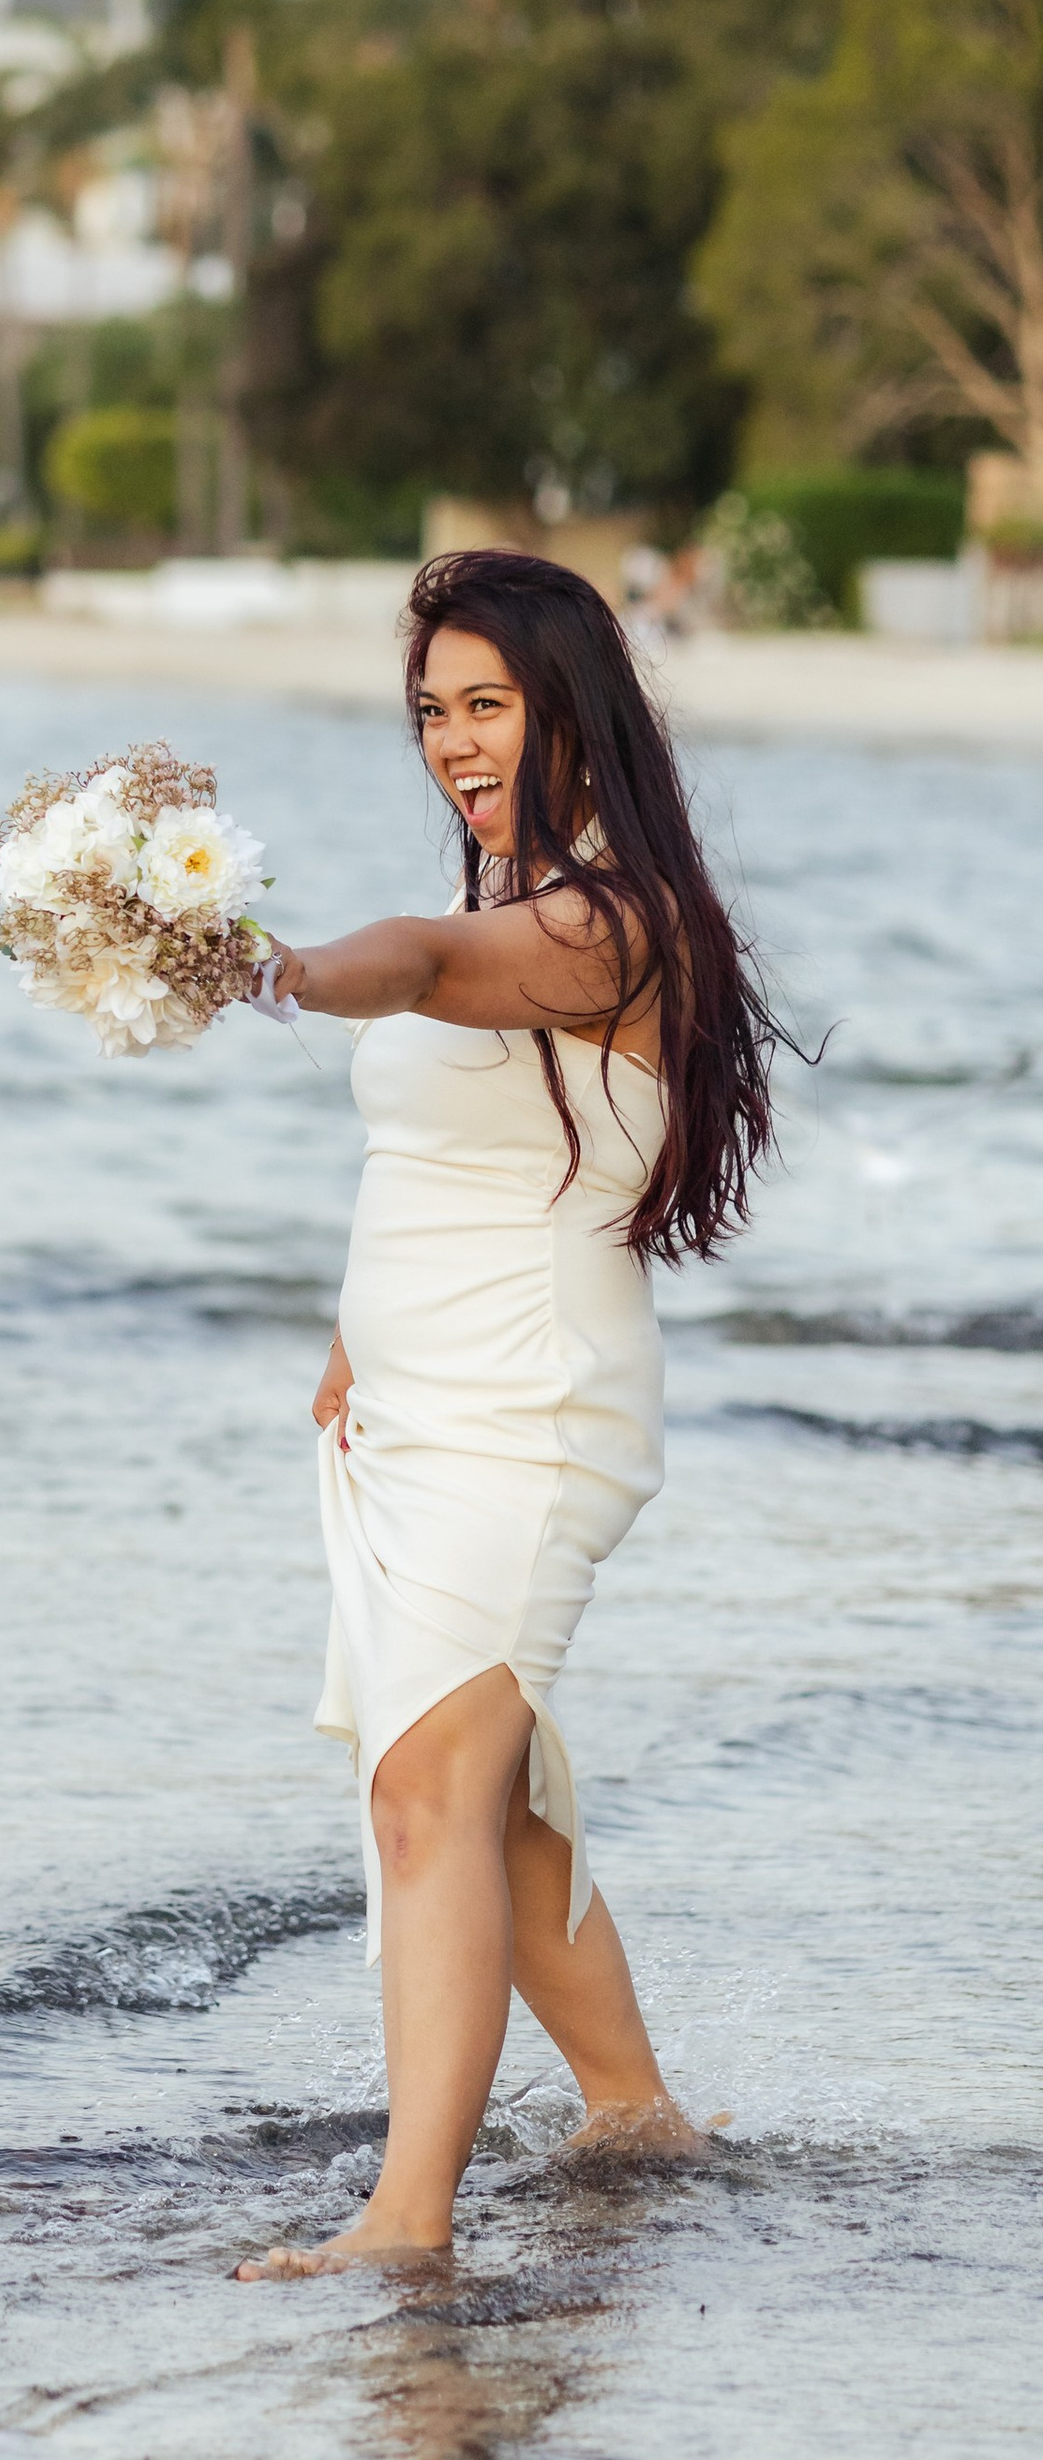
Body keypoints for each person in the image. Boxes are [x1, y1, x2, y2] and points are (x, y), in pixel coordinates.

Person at [234, 549, 778, 2279]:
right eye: (429, 713)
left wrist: (283, 971)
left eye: (486, 705)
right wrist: (350, 1334)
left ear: (572, 712)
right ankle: (633, 2108)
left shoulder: (617, 922)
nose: (453, 743)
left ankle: (407, 2222)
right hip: (414, 1406)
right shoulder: (524, 904)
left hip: (529, 1410)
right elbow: (443, 1145)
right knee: (499, 1792)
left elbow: (413, 968)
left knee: (427, 1789)